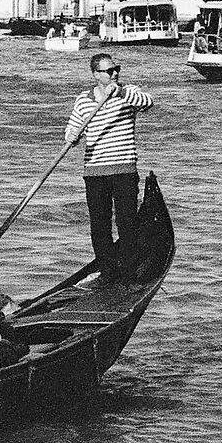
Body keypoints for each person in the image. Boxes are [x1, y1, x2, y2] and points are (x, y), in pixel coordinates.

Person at [65, 53, 155, 281]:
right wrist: (72, 137)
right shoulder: (83, 100)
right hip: (95, 172)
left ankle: (129, 270)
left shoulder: (129, 93)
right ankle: (107, 270)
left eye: (117, 69)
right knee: (100, 225)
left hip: (124, 170)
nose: (115, 73)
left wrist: (121, 92)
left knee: (127, 223)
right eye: (109, 71)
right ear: (96, 75)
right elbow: (72, 131)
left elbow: (148, 103)